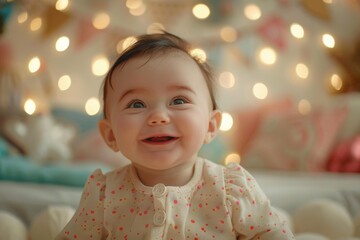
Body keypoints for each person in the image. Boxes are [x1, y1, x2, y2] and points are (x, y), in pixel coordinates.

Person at [56, 32, 294, 239]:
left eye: (178, 100)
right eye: (136, 104)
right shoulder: (104, 195)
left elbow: (272, 234)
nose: (158, 116)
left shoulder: (230, 189)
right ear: (110, 135)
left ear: (211, 126)